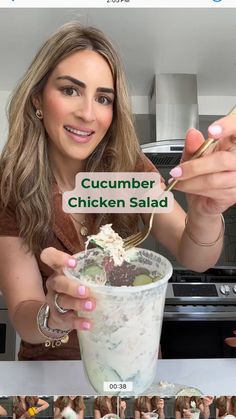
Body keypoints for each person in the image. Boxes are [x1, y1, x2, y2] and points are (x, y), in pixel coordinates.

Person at [0, 21, 236, 361]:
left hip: (130, 359)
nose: (87, 114)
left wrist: (205, 213)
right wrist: (53, 315)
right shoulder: (13, 187)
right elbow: (24, 312)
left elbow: (196, 257)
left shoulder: (128, 170)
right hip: (53, 367)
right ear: (38, 97)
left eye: (103, 98)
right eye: (70, 90)